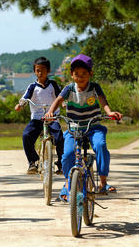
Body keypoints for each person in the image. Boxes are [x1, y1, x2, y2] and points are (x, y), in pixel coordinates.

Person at [45, 54, 122, 202]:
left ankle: (103, 183)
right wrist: (50, 112)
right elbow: (58, 100)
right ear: (72, 75)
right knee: (67, 155)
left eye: (84, 74)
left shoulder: (94, 87)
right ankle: (68, 185)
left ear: (90, 74)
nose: (80, 77)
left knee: (100, 145)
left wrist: (110, 112)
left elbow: (103, 101)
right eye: (77, 74)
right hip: (73, 128)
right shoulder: (68, 89)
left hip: (93, 127)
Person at [14, 57, 64, 174]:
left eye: (42, 70)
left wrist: (65, 105)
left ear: (48, 70)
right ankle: (33, 161)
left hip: (52, 117)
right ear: (34, 71)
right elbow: (25, 98)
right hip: (37, 118)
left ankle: (61, 163)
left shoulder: (53, 84)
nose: (40, 73)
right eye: (37, 70)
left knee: (60, 138)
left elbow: (60, 97)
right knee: (27, 135)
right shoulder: (32, 87)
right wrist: (20, 105)